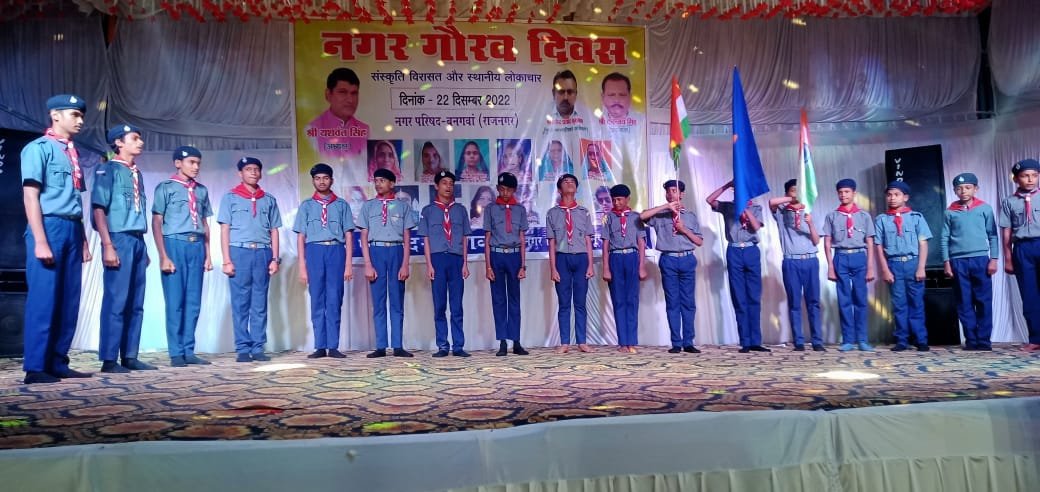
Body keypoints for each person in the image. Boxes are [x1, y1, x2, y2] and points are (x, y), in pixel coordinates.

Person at [20, 94, 94, 384]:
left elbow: (75, 201)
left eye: (81, 115)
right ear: (55, 116)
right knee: (44, 298)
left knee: (68, 298)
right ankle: (36, 367)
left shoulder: (72, 153)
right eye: (74, 114)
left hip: (72, 229)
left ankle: (58, 361)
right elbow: (31, 196)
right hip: (48, 226)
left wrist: (84, 240)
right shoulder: (38, 149)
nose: (80, 120)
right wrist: (40, 240)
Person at [91, 124, 156, 373]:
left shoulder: (137, 174)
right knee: (116, 300)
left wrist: (143, 247)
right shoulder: (107, 170)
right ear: (119, 142)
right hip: (118, 238)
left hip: (137, 239)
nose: (140, 142)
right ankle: (109, 359)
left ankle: (130, 355)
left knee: (136, 302)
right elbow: (99, 209)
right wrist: (107, 244)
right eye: (134, 138)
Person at [152, 146, 214, 367]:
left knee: (193, 302)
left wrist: (208, 254)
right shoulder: (166, 188)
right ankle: (176, 352)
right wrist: (163, 255)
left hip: (196, 245)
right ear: (178, 163)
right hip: (174, 244)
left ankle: (189, 350)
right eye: (191, 162)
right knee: (175, 301)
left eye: (198, 163)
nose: (196, 167)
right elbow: (157, 222)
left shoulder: (201, 190)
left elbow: (205, 223)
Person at [219, 157, 282, 363]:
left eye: (256, 169)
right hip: (239, 252)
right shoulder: (230, 198)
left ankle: (258, 347)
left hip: (263, 252)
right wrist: (227, 260)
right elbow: (225, 229)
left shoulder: (269, 199)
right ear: (240, 173)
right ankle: (242, 348)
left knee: (259, 303)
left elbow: (274, 230)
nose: (253, 172)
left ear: (261, 173)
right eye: (248, 169)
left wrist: (275, 258)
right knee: (240, 303)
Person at [294, 163, 354, 359]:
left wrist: (348, 264)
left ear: (332, 180)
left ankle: (333, 346)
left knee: (334, 298)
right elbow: (301, 237)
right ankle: (320, 346)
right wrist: (302, 266)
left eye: (325, 178)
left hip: (336, 251)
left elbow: (349, 235)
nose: (322, 181)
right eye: (318, 178)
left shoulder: (342, 205)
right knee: (317, 299)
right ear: (313, 181)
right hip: (314, 251)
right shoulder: (306, 206)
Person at [640, 180, 704, 354]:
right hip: (668, 260)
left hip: (687, 259)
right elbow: (642, 216)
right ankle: (676, 342)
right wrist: (665, 206)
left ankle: (688, 341)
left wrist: (684, 230)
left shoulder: (690, 216)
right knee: (672, 302)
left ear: (681, 194)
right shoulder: (660, 215)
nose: (670, 194)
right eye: (668, 191)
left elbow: (699, 241)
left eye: (674, 191)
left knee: (688, 302)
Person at [358, 168, 417, 358]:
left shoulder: (403, 207)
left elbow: (407, 237)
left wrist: (405, 264)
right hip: (376, 252)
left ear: (392, 183)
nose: (378, 184)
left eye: (382, 180)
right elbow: (363, 236)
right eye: (376, 181)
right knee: (379, 301)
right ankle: (381, 346)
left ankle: (398, 345)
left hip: (396, 251)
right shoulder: (368, 206)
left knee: (397, 300)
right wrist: (368, 264)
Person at [707, 180, 767, 353]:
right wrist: (726, 185)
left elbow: (755, 227)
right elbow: (709, 200)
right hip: (734, 251)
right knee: (739, 297)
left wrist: (744, 208)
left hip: (751, 251)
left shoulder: (756, 208)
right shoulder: (728, 207)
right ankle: (745, 341)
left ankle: (756, 341)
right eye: (737, 190)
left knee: (754, 297)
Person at [941, 173, 999, 351]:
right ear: (954, 191)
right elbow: (944, 238)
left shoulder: (985, 209)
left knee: (983, 300)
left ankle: (984, 340)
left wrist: (994, 259)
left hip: (980, 259)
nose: (963, 191)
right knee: (964, 301)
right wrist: (946, 261)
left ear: (976, 189)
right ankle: (971, 339)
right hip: (958, 261)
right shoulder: (950, 212)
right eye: (959, 188)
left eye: (967, 187)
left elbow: (993, 235)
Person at [419, 170, 472, 357]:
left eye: (451, 183)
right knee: (440, 305)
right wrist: (429, 264)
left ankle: (458, 346)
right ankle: (442, 345)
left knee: (457, 306)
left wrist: (465, 263)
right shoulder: (428, 211)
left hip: (456, 260)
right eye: (444, 183)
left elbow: (465, 239)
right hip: (438, 260)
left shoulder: (461, 210)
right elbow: (425, 240)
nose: (448, 187)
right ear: (436, 186)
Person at [875, 181, 932, 352]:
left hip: (913, 263)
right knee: (899, 304)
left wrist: (921, 267)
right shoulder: (882, 220)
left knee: (916, 303)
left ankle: (921, 339)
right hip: (894, 264)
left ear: (905, 197)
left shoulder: (916, 217)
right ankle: (901, 339)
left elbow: (923, 243)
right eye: (889, 195)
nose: (892, 198)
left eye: (896, 194)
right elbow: (878, 246)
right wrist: (885, 269)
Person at [768, 179, 824, 352]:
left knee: (813, 302)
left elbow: (816, 240)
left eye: (799, 191)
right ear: (787, 193)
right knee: (794, 302)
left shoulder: (810, 211)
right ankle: (798, 341)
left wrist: (810, 223)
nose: (797, 194)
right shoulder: (782, 213)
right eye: (793, 190)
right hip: (791, 261)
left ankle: (817, 341)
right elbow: (771, 202)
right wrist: (791, 198)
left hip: (810, 260)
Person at [821, 178, 876, 352]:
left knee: (860, 299)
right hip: (841, 257)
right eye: (840, 192)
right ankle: (848, 340)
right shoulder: (832, 216)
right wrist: (830, 266)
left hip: (859, 257)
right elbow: (827, 243)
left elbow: (870, 242)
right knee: (844, 300)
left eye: (847, 192)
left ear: (854, 193)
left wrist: (870, 267)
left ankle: (863, 339)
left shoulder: (864, 216)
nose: (843, 195)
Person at [546, 174, 595, 353]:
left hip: (581, 258)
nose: (569, 183)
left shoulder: (584, 212)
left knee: (580, 302)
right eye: (565, 182)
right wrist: (553, 268)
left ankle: (582, 341)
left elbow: (588, 240)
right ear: (559, 189)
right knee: (564, 302)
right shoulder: (552, 213)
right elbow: (551, 243)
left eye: (573, 181)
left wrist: (590, 264)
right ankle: (565, 342)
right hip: (562, 259)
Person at [484, 172, 530, 356]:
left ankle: (516, 341)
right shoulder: (490, 209)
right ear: (497, 188)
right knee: (498, 299)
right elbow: (487, 239)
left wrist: (523, 265)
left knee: (514, 299)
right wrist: (488, 266)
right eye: (502, 189)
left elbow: (522, 238)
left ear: (514, 190)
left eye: (509, 190)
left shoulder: (520, 210)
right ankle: (502, 341)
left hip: (514, 256)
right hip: (496, 255)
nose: (505, 193)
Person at [999, 158, 1040, 352]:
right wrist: (1008, 258)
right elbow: (1006, 232)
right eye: (1025, 176)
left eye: (1034, 175)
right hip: (1022, 249)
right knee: (1029, 295)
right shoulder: (1009, 202)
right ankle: (1036, 338)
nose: (1030, 179)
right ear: (1016, 179)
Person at [601, 184, 646, 353]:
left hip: (632, 257)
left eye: (619, 199)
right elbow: (605, 244)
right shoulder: (608, 218)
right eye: (613, 200)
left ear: (628, 199)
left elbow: (641, 243)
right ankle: (622, 342)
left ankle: (631, 341)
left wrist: (642, 266)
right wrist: (606, 268)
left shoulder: (636, 217)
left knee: (631, 300)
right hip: (615, 258)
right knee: (618, 300)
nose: (616, 203)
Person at [305, 68, 370, 159]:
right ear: (328, 95)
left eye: (354, 93)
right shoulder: (312, 130)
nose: (350, 100)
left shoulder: (365, 130)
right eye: (343, 92)